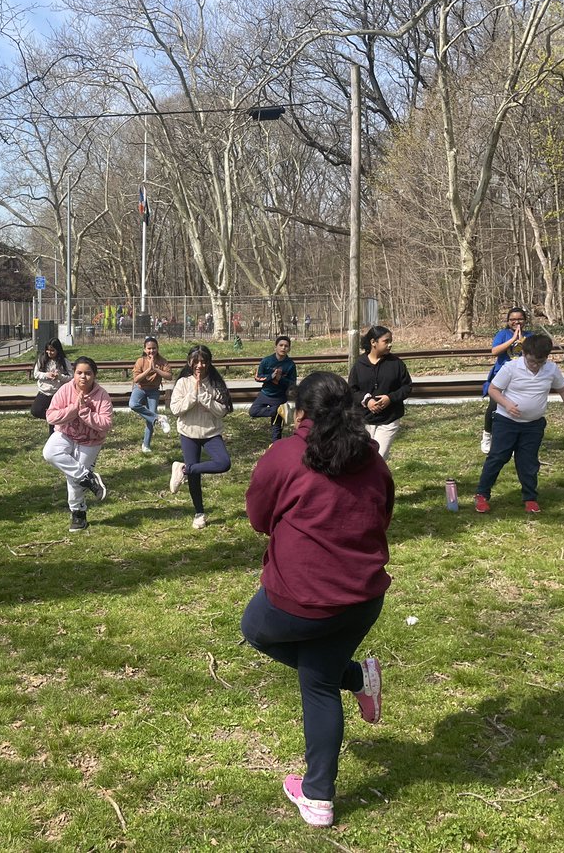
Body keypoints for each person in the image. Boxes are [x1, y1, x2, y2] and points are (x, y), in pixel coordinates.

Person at [240, 372, 392, 829]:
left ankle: (355, 677)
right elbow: (383, 514)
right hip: (361, 598)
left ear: (299, 409)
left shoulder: (285, 455)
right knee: (318, 680)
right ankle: (318, 797)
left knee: (254, 628)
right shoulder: (373, 458)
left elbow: (258, 518)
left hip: (300, 600)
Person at [474, 333, 564, 514]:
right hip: (506, 422)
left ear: (546, 358)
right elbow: (493, 390)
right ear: (523, 353)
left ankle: (530, 498)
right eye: (531, 361)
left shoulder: (551, 369)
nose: (535, 366)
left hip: (533, 425)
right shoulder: (511, 368)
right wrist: (507, 405)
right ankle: (482, 494)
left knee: (528, 462)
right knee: (497, 457)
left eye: (540, 362)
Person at [44, 356, 113, 532]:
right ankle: (87, 477)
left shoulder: (101, 395)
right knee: (50, 452)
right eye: (79, 373)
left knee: (74, 480)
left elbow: (106, 424)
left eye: (88, 373)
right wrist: (73, 409)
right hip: (66, 434)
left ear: (94, 375)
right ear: (73, 374)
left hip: (91, 440)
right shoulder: (65, 390)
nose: (83, 377)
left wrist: (84, 412)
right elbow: (51, 416)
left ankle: (78, 514)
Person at [167, 345, 232, 529]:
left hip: (211, 433)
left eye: (204, 361)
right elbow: (175, 409)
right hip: (188, 433)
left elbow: (222, 411)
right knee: (196, 478)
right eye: (196, 361)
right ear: (189, 362)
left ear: (209, 363)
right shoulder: (183, 383)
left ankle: (184, 470)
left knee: (223, 463)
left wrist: (205, 398)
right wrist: (192, 396)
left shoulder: (215, 383)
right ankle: (199, 513)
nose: (200, 365)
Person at [347, 326, 413, 461]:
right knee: (362, 457)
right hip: (364, 420)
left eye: (391, 341)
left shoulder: (396, 364)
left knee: (378, 458)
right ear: (373, 342)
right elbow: (352, 390)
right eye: (386, 341)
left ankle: (377, 481)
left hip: (389, 419)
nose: (390, 344)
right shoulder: (359, 365)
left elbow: (407, 387)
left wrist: (390, 398)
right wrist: (367, 400)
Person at [481, 308, 532, 453]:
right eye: (513, 320)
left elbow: (533, 354)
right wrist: (512, 340)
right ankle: (487, 435)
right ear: (508, 321)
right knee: (494, 406)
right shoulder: (502, 334)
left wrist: (522, 341)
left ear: (525, 320)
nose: (516, 322)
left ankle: (515, 439)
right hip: (501, 375)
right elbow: (494, 351)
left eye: (520, 319)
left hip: (522, 376)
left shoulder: (530, 336)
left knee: (517, 407)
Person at [249, 336, 297, 443]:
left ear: (289, 348)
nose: (283, 348)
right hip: (265, 394)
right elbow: (258, 377)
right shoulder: (266, 361)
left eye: (286, 346)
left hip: (280, 397)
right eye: (281, 345)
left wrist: (281, 379)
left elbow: (293, 383)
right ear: (275, 347)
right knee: (253, 411)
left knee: (276, 428)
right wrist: (271, 376)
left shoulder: (290, 365)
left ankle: (276, 447)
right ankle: (277, 411)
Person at [129, 335, 172, 453]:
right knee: (133, 404)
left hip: (153, 391)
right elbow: (136, 379)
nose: (151, 351)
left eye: (154, 348)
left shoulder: (163, 361)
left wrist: (157, 369)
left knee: (150, 419)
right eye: (149, 348)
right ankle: (159, 418)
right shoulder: (140, 361)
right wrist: (148, 369)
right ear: (144, 350)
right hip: (140, 389)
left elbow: (169, 376)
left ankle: (146, 445)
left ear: (157, 348)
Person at [31, 339, 70, 437]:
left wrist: (60, 376)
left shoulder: (64, 362)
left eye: (52, 350)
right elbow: (36, 374)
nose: (49, 353)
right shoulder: (42, 359)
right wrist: (46, 375)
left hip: (57, 393)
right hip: (44, 391)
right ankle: (56, 419)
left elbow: (71, 377)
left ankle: (53, 436)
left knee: (53, 419)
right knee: (36, 410)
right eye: (48, 350)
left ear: (58, 350)